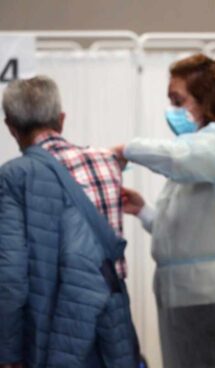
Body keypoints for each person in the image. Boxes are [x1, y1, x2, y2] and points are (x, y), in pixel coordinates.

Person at [0, 76, 138, 367]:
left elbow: (11, 274)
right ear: (61, 120)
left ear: (10, 126)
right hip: (113, 317)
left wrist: (9, 351)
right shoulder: (106, 161)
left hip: (54, 326)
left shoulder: (14, 176)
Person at [113, 54, 215, 368]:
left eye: (179, 100)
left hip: (207, 295)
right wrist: (144, 212)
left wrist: (125, 150)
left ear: (206, 100)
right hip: (182, 294)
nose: (173, 111)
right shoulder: (199, 145)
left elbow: (179, 158)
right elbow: (185, 229)